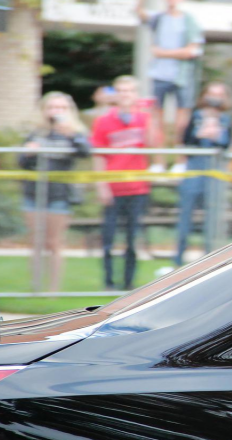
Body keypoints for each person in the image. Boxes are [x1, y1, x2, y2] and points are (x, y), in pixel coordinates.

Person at [17, 92, 92, 292]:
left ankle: (53, 290)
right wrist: (28, 152)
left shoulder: (75, 132)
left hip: (59, 195)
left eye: (61, 108)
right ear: (44, 111)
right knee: (35, 241)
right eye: (52, 107)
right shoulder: (36, 133)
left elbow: (86, 151)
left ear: (69, 111)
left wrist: (72, 135)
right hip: (33, 194)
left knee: (54, 242)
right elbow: (22, 162)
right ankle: (35, 288)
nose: (56, 112)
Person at [90, 75, 156, 290]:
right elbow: (98, 155)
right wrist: (101, 185)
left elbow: (154, 145)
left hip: (137, 188)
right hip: (113, 187)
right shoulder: (103, 121)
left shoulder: (145, 119)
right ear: (115, 95)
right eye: (121, 91)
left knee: (131, 238)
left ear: (135, 94)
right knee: (108, 238)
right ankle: (108, 282)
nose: (125, 95)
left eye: (129, 91)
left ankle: (129, 283)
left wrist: (151, 116)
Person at [135, 0, 205, 173]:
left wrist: (162, 53)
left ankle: (180, 161)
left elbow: (192, 50)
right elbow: (140, 13)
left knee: (182, 123)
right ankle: (159, 162)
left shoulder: (189, 21)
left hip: (182, 77)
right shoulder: (158, 18)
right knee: (156, 120)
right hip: (159, 76)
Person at [174, 82, 232, 266]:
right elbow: (185, 141)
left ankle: (210, 259)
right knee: (186, 214)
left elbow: (226, 145)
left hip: (214, 170)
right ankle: (178, 259)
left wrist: (216, 136)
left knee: (212, 215)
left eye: (219, 94)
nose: (214, 97)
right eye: (211, 93)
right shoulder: (196, 115)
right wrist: (200, 134)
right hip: (195, 168)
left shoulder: (226, 119)